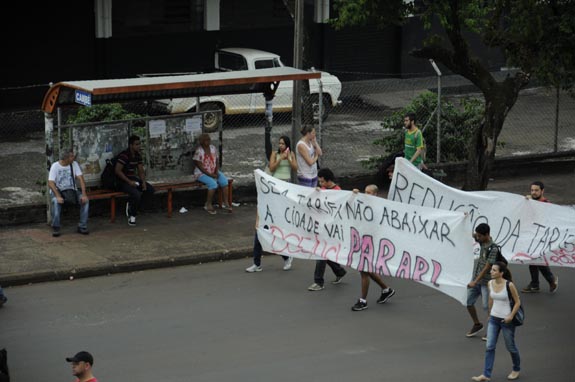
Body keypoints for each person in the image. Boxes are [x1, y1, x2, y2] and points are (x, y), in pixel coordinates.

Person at [246, 136, 296, 272]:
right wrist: (280, 158)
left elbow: (295, 168)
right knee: (260, 231)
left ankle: (286, 257)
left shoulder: (291, 154)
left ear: (287, 145)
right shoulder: (275, 154)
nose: (280, 145)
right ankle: (257, 263)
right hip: (275, 188)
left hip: (284, 190)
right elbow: (272, 167)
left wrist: (289, 158)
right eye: (279, 143)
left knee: (275, 231)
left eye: (283, 143)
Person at [472, 261, 521, 381]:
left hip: (506, 321)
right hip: (494, 319)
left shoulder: (509, 285)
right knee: (489, 346)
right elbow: (491, 299)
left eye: (494, 270)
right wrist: (489, 314)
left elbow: (517, 302)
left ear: (501, 273)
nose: (491, 272)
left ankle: (516, 369)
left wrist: (510, 316)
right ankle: (486, 375)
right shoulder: (490, 283)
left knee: (510, 346)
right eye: (491, 270)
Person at [350, 184, 396, 311]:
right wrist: (354, 195)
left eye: (369, 193)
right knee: (366, 270)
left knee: (364, 271)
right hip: (363, 241)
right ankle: (386, 289)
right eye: (365, 192)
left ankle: (363, 301)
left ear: (375, 194)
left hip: (371, 243)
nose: (366, 194)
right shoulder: (364, 203)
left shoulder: (378, 207)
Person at [307, 168, 347, 291]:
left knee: (321, 253)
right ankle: (339, 271)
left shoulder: (337, 192)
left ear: (329, 181)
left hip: (331, 229)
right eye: (319, 181)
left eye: (322, 181)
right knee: (325, 253)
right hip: (321, 227)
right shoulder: (322, 190)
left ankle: (318, 282)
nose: (320, 184)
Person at [521, 181, 559, 293]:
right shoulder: (529, 202)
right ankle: (535, 284)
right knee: (533, 261)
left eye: (536, 190)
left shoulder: (546, 204)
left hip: (541, 238)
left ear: (542, 191)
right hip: (531, 236)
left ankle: (549, 280)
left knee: (537, 260)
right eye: (532, 190)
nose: (533, 192)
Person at [466, 223, 499, 338]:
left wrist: (475, 281)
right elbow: (473, 235)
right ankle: (477, 324)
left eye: (480, 236)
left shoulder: (493, 248)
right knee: (468, 302)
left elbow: (487, 267)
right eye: (478, 236)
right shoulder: (481, 241)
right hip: (476, 280)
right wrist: (463, 219)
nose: (477, 238)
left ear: (487, 234)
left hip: (486, 282)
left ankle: (492, 329)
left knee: (487, 306)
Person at [48, 148, 90, 237]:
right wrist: (58, 195)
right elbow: (51, 183)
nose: (73, 157)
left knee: (85, 201)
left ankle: (82, 226)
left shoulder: (74, 164)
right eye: (71, 156)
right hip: (58, 191)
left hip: (71, 190)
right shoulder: (55, 166)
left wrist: (84, 194)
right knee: (56, 201)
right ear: (65, 158)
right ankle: (56, 226)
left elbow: (81, 179)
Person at [115, 135, 155, 226]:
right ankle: (132, 216)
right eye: (136, 144)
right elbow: (117, 171)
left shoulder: (137, 156)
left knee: (150, 190)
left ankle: (135, 207)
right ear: (131, 145)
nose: (138, 146)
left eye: (139, 144)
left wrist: (143, 183)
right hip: (122, 180)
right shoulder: (124, 155)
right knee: (136, 193)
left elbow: (140, 171)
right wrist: (129, 182)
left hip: (132, 178)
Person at [193, 133, 232, 215]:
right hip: (201, 173)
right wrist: (211, 175)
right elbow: (200, 167)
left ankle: (225, 202)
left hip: (213, 171)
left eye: (209, 140)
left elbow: (217, 161)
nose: (208, 141)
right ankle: (208, 204)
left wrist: (216, 171)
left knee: (224, 182)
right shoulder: (199, 151)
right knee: (213, 184)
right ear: (202, 142)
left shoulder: (213, 148)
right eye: (206, 140)